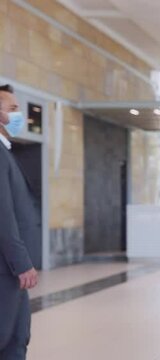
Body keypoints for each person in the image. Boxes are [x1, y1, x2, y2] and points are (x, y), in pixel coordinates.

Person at [0, 84, 39, 360]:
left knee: (17, 338)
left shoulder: (6, 152)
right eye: (12, 109)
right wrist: (21, 262)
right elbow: (3, 214)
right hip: (6, 270)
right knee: (8, 340)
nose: (18, 116)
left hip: (11, 272)